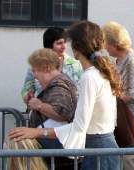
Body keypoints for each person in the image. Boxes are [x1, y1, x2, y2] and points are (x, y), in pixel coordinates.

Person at [9, 21, 122, 170]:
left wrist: (37, 132)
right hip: (101, 148)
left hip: (98, 151)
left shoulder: (89, 77)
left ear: (76, 48)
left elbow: (79, 126)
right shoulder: (97, 73)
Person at [102, 21, 134, 170]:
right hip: (126, 114)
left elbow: (130, 94)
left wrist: (105, 97)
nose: (104, 47)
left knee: (132, 158)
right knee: (126, 157)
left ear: (115, 43)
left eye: (106, 43)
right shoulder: (120, 59)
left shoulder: (132, 61)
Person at [21, 27, 82, 105]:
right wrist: (27, 95)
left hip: (69, 112)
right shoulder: (36, 65)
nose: (64, 46)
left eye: (65, 42)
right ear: (49, 45)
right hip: (44, 111)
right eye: (59, 43)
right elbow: (27, 87)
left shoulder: (75, 64)